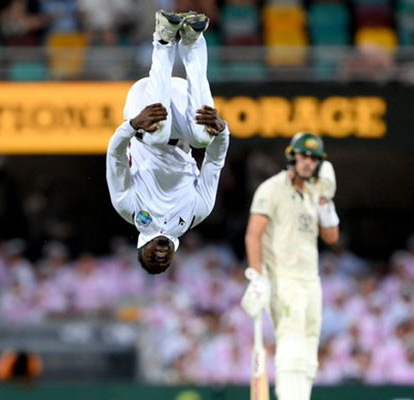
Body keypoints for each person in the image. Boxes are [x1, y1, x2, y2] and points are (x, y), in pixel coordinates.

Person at [106, 10, 230, 275]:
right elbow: (214, 162)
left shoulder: (128, 208)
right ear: (174, 255)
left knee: (158, 134)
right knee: (202, 137)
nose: (160, 257)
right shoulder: (197, 212)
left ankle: (163, 39)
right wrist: (222, 131)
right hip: (183, 111)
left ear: (141, 249)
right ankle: (192, 41)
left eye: (152, 260)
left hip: (145, 106)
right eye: (164, 262)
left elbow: (114, 156)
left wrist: (131, 125)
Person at [240, 133, 339, 400]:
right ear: (292, 156)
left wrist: (326, 206)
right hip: (283, 278)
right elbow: (253, 235)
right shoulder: (272, 189)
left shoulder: (314, 194)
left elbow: (331, 238)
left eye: (314, 158)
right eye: (304, 156)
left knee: (309, 342)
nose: (308, 162)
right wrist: (257, 276)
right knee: (291, 338)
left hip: (310, 280)